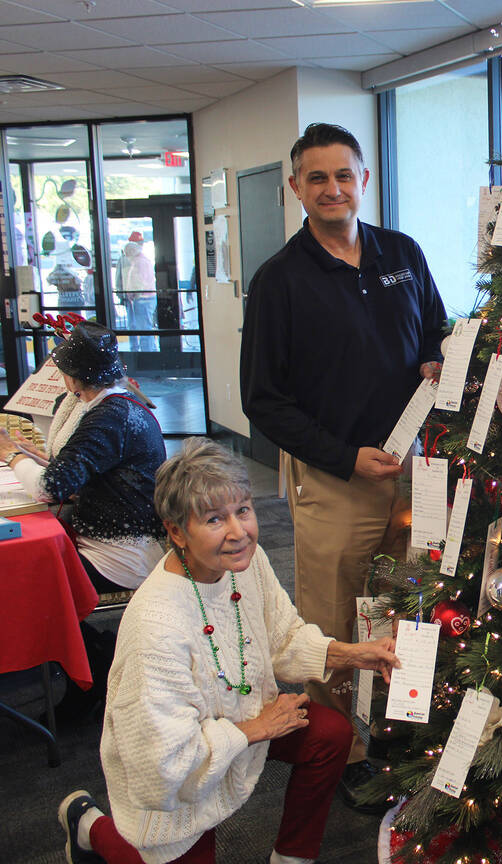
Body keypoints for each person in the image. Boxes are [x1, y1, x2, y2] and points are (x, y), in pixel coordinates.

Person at [56, 437, 401, 864]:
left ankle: (292, 855)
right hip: (177, 778)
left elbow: (283, 636)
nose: (239, 532)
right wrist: (254, 730)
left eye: (243, 510)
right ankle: (89, 826)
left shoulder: (245, 562)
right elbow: (162, 769)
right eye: (215, 519)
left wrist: (354, 654)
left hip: (240, 723)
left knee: (330, 735)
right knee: (162, 846)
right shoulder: (156, 627)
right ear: (176, 531)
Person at [239, 122, 446, 809]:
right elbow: (263, 401)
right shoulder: (280, 281)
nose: (333, 188)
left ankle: (401, 726)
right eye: (317, 177)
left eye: (344, 175)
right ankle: (343, 749)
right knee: (332, 621)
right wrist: (342, 456)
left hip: (416, 471)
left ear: (363, 180)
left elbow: (437, 333)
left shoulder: (402, 253)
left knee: (407, 602)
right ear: (297, 188)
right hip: (334, 481)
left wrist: (440, 359)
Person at [0, 321, 166, 719]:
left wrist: (10, 452)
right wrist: (34, 457)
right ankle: (94, 663)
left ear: (73, 377)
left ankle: (94, 670)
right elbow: (78, 473)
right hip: (116, 540)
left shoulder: (108, 418)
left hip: (123, 554)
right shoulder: (113, 407)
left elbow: (49, 488)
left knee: (35, 593)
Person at [116, 232, 157, 352]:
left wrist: (126, 294)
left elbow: (139, 282)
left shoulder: (139, 261)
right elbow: (121, 278)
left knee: (140, 328)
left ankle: (145, 352)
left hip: (139, 298)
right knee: (138, 327)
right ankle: (146, 350)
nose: (141, 245)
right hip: (136, 298)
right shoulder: (137, 259)